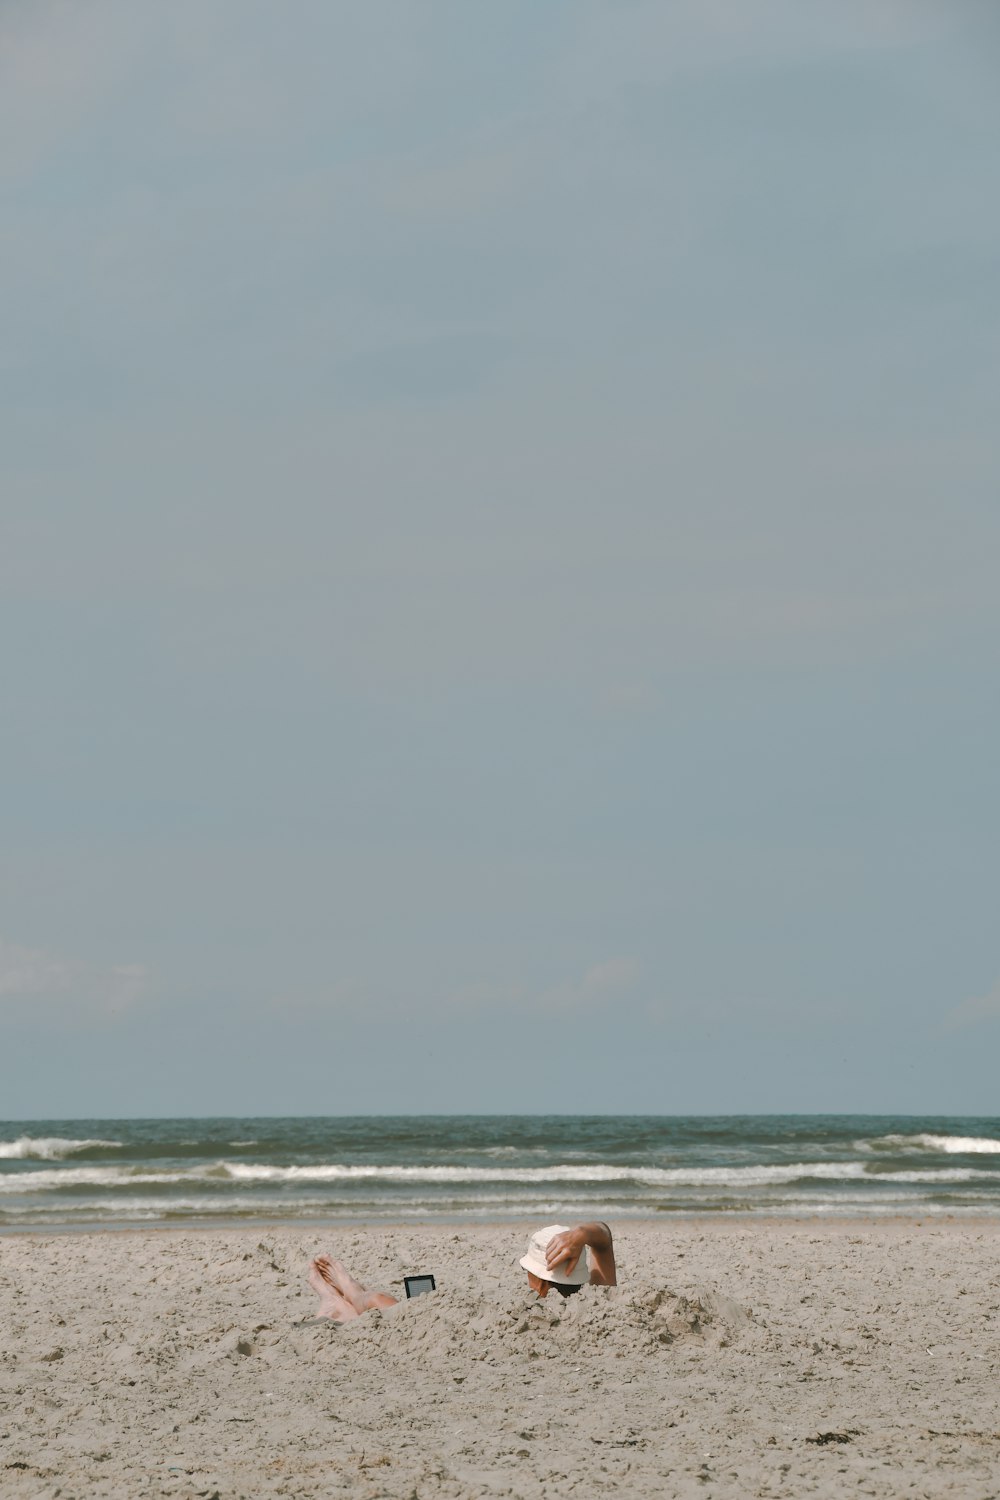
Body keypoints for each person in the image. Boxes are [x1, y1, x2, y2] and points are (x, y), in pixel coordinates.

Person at [307, 1221, 616, 1322]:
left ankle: (349, 1293)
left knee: (376, 1299)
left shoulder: (523, 1315)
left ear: (535, 1277)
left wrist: (578, 1234)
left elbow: (603, 1239)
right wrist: (582, 1234)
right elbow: (604, 1239)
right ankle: (339, 1306)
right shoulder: (596, 1302)